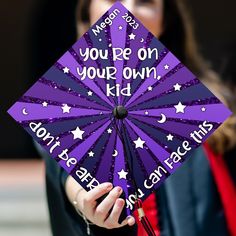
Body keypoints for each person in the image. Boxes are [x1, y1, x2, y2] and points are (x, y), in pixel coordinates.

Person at [39, 0, 236, 235]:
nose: (128, 11)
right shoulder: (63, 103)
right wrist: (85, 199)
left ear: (166, 20)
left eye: (145, 1)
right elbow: (65, 169)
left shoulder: (210, 101)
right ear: (87, 13)